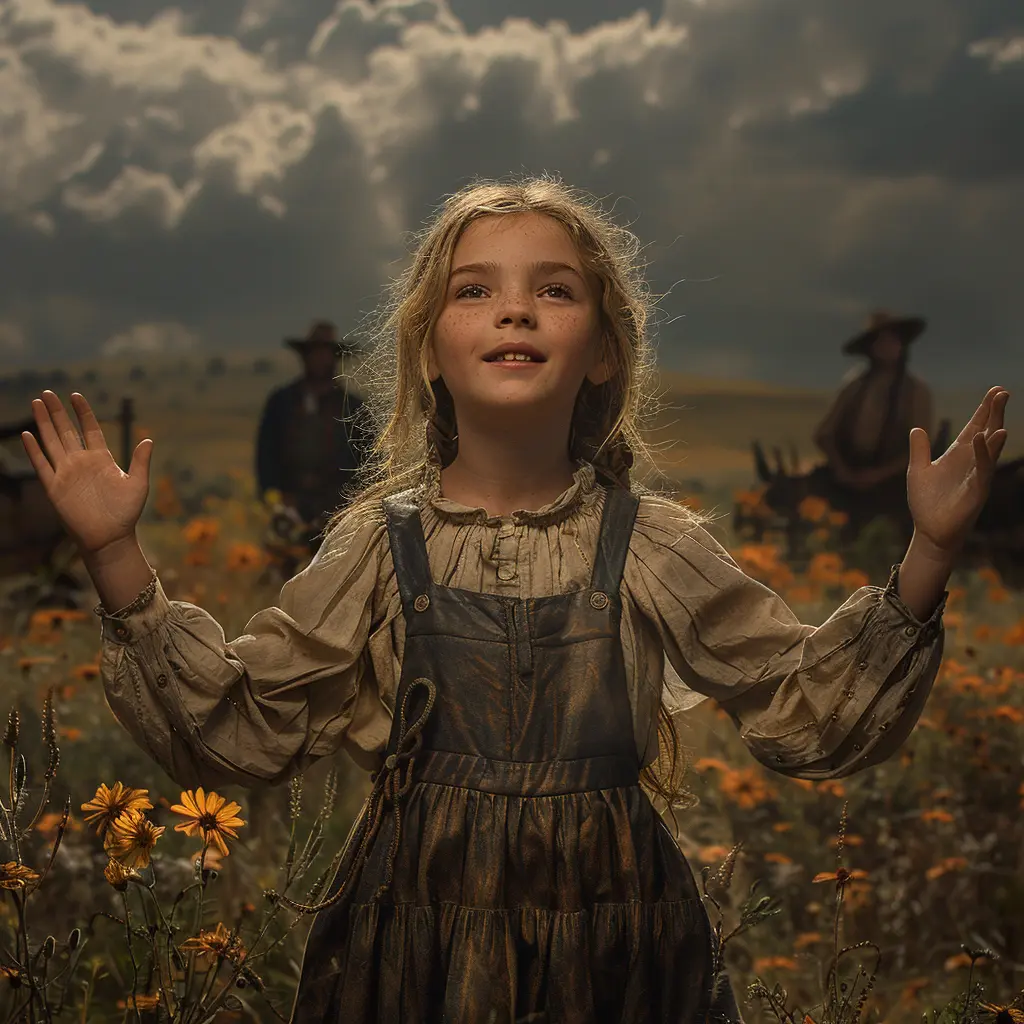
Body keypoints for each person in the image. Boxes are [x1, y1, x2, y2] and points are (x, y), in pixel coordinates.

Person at [22, 178, 1010, 1024]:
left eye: (554, 288)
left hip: (617, 939)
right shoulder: (379, 545)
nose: (515, 310)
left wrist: (928, 549)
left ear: (603, 350)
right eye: (475, 290)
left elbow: (808, 712)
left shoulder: (648, 540)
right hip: (413, 935)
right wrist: (113, 553)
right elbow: (238, 727)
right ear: (426, 349)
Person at [812, 311, 936, 538]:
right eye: (880, 341)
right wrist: (843, 471)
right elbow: (825, 434)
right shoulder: (855, 384)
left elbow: (920, 447)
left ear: (902, 345)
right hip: (846, 475)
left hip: (896, 483)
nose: (886, 346)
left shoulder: (916, 391)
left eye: (892, 340)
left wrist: (878, 475)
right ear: (870, 348)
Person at [255, 320, 371, 550]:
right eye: (314, 353)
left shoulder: (353, 407)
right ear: (305, 357)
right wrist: (274, 498)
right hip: (289, 504)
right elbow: (265, 454)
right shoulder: (282, 402)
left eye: (324, 353)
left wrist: (355, 507)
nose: (319, 359)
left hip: (338, 510)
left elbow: (368, 462)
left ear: (335, 358)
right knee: (285, 569)